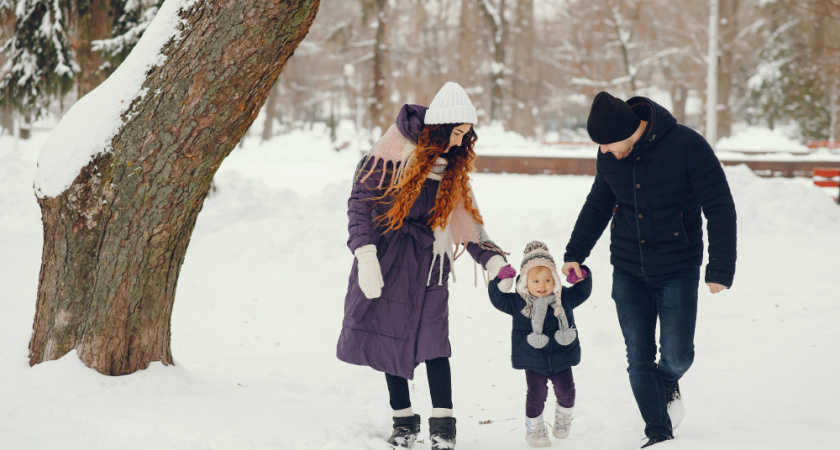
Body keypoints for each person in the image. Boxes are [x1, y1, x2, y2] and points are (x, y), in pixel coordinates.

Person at [337, 82, 509, 450]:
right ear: (440, 127)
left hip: (432, 263)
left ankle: (444, 428)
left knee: (435, 342)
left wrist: (493, 260)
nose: (460, 142)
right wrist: (365, 254)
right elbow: (361, 204)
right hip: (388, 258)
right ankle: (403, 421)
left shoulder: (452, 168)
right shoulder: (392, 152)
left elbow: (466, 222)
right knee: (389, 334)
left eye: (466, 135)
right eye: (456, 133)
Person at [561, 91, 737, 448]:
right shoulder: (610, 153)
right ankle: (658, 432)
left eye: (608, 144)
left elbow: (719, 206)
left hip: (678, 265)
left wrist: (719, 267)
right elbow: (598, 204)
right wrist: (575, 252)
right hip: (627, 266)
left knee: (676, 355)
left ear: (630, 130)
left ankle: (668, 380)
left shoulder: (687, 146)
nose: (605, 151)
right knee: (638, 357)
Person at [488, 241, 592, 448]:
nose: (542, 285)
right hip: (532, 359)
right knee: (537, 395)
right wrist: (497, 280)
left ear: (554, 280)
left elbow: (583, 291)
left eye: (547, 280)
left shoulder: (564, 299)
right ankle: (534, 429)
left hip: (562, 356)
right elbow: (497, 299)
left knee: (567, 392)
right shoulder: (518, 303)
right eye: (536, 281)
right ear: (526, 282)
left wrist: (582, 275)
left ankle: (563, 418)